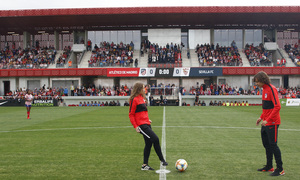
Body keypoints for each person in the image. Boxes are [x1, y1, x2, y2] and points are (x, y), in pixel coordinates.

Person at [129, 82, 168, 170]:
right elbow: (131, 114)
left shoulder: (142, 98)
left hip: (146, 123)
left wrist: (147, 120)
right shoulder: (134, 99)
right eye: (143, 88)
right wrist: (135, 126)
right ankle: (162, 160)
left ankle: (144, 165)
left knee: (149, 143)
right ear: (139, 89)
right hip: (141, 126)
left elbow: (143, 112)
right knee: (155, 139)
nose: (144, 89)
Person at [254, 71, 285, 176]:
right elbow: (266, 107)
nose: (256, 84)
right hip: (265, 122)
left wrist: (268, 119)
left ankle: (280, 169)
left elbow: (277, 106)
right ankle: (269, 166)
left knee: (273, 145)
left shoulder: (272, 89)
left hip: (273, 122)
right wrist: (261, 117)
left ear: (263, 80)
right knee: (267, 145)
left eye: (257, 82)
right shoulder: (263, 90)